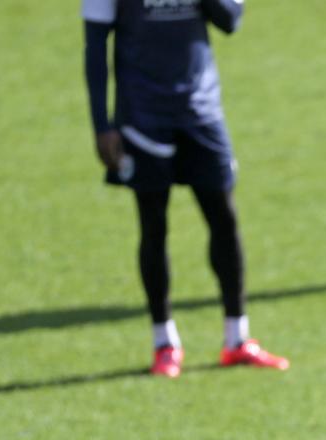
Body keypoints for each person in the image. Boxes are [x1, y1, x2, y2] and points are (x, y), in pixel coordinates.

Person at [82, 0, 288, 377]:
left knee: (223, 218)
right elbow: (95, 45)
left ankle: (237, 339)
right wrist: (101, 125)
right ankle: (164, 342)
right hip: (142, 117)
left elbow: (231, 20)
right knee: (153, 224)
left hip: (201, 112)